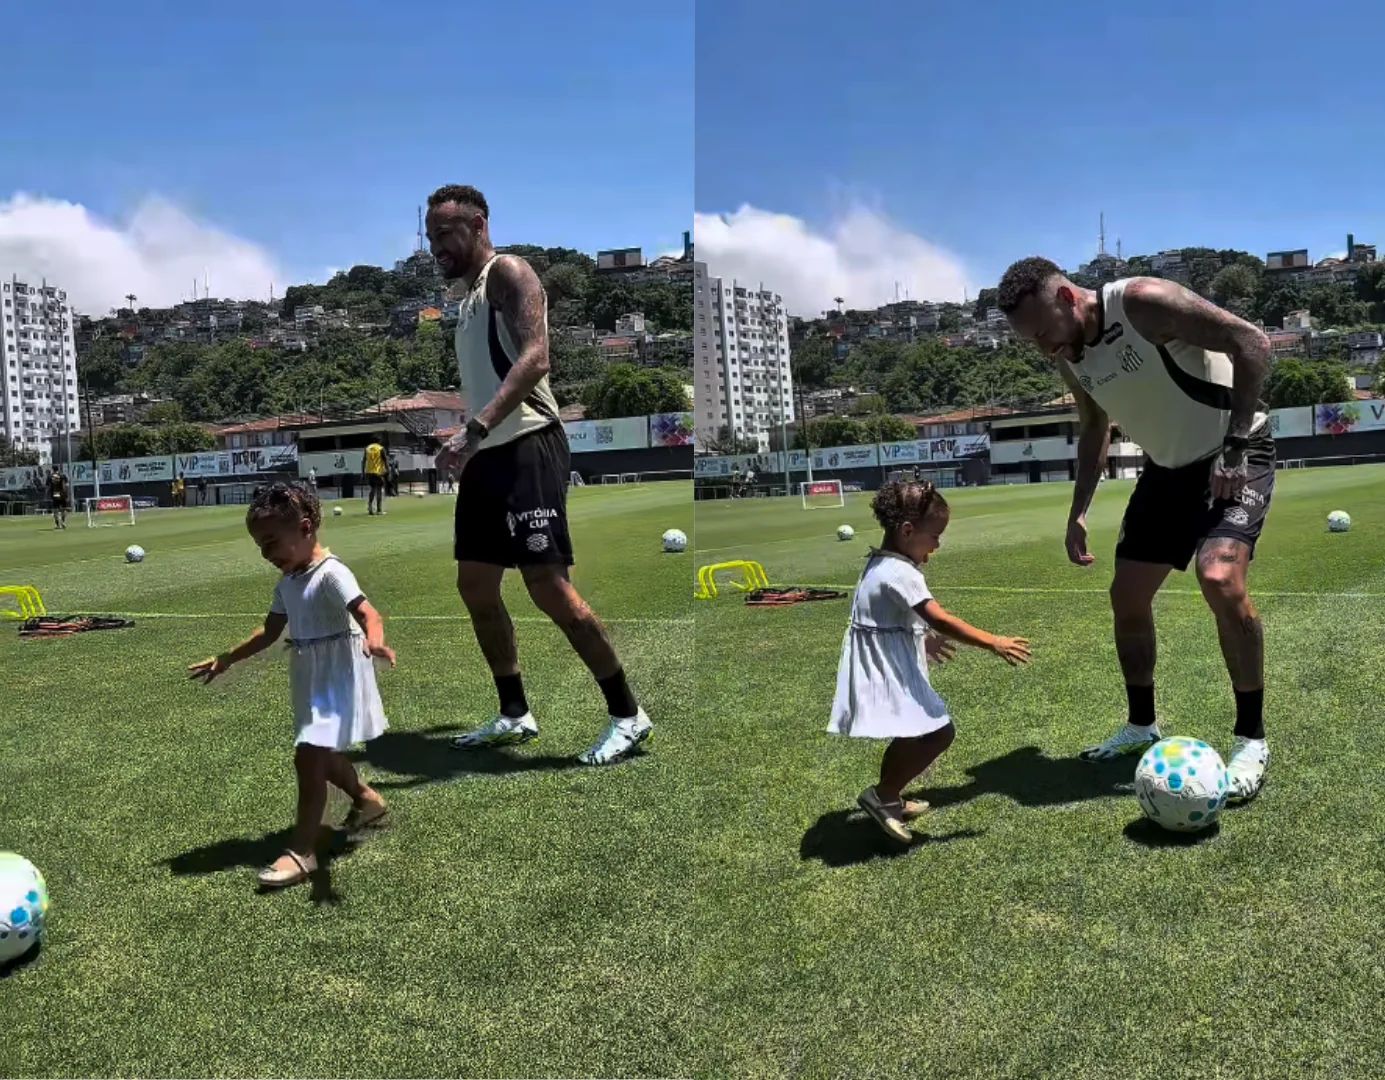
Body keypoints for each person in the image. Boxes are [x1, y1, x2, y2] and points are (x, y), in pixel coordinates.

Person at [998, 256, 1275, 802]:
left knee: (1220, 579)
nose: (1045, 348)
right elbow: (1094, 426)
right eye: (1032, 341)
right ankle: (1141, 725)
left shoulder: (1144, 303)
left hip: (1232, 455)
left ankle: (1251, 739)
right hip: (1166, 472)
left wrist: (1236, 446)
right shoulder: (1069, 354)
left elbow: (1252, 342)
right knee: (1126, 596)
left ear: (1068, 298)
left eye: (1044, 333)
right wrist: (1078, 510)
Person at [426, 183, 651, 765]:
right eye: (430, 238)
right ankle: (514, 713)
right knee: (476, 586)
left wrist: (475, 428)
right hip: (486, 452)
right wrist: (471, 441)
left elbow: (536, 358)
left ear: (478, 225)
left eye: (445, 234)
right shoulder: (466, 298)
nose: (436, 248)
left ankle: (628, 715)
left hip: (528, 442)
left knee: (548, 586)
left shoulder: (508, 272)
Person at [188, 482, 394, 889]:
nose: (266, 554)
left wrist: (374, 640)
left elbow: (369, 613)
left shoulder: (332, 574)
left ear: (304, 528)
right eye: (260, 547)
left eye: (271, 543)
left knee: (308, 757)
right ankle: (366, 800)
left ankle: (303, 852)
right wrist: (227, 658)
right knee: (322, 755)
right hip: (310, 674)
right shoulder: (287, 584)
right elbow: (269, 632)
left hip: (341, 672)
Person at [830, 479, 1032, 842]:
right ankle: (883, 796)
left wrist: (920, 638)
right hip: (885, 665)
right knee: (939, 732)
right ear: (908, 531)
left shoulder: (881, 562)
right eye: (935, 535)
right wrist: (993, 642)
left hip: (881, 657)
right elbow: (940, 617)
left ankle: (889, 796)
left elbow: (885, 612)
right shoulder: (901, 572)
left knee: (910, 732)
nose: (937, 545)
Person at [362, 440, 386, 515]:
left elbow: (364, 461)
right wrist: (387, 470)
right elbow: (385, 460)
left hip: (369, 472)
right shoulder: (380, 448)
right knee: (379, 489)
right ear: (379, 441)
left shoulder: (367, 448)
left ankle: (370, 507)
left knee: (372, 489)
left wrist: (363, 473)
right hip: (378, 472)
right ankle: (379, 510)